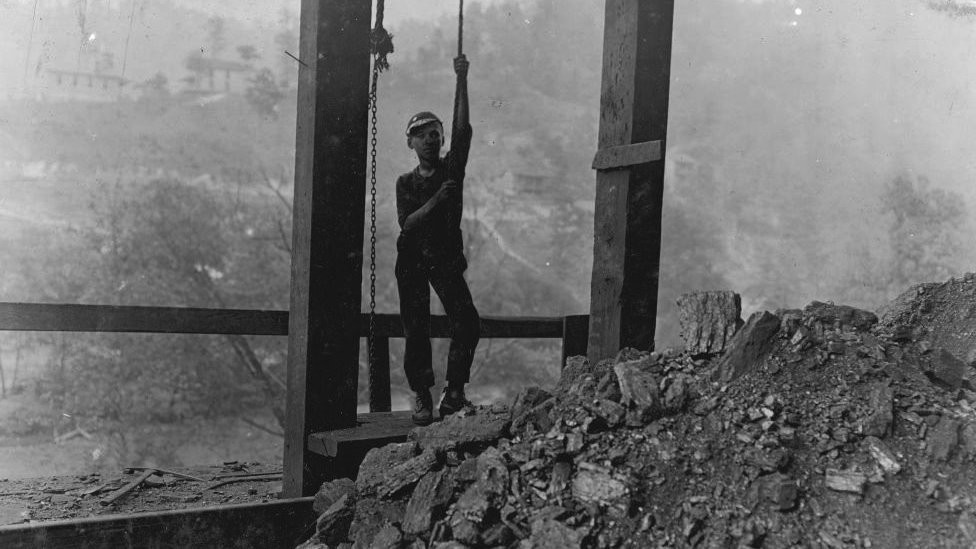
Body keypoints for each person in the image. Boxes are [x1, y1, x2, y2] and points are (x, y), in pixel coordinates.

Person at [395, 54, 480, 426]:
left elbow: (464, 132)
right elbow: (407, 223)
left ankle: (454, 391)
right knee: (416, 327)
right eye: (423, 133)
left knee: (467, 322)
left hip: (444, 257)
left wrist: (461, 80)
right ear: (410, 142)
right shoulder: (406, 183)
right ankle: (421, 394)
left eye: (435, 133)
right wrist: (437, 201)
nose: (431, 138)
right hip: (412, 257)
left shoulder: (451, 169)